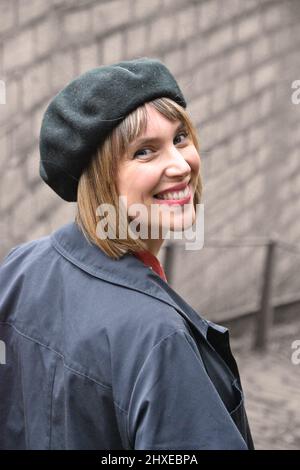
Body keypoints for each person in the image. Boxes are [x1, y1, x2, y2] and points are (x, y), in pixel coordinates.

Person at [0, 57, 254, 450]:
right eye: (144, 152)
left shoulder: (21, 265)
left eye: (180, 137)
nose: (180, 165)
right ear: (100, 179)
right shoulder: (159, 336)